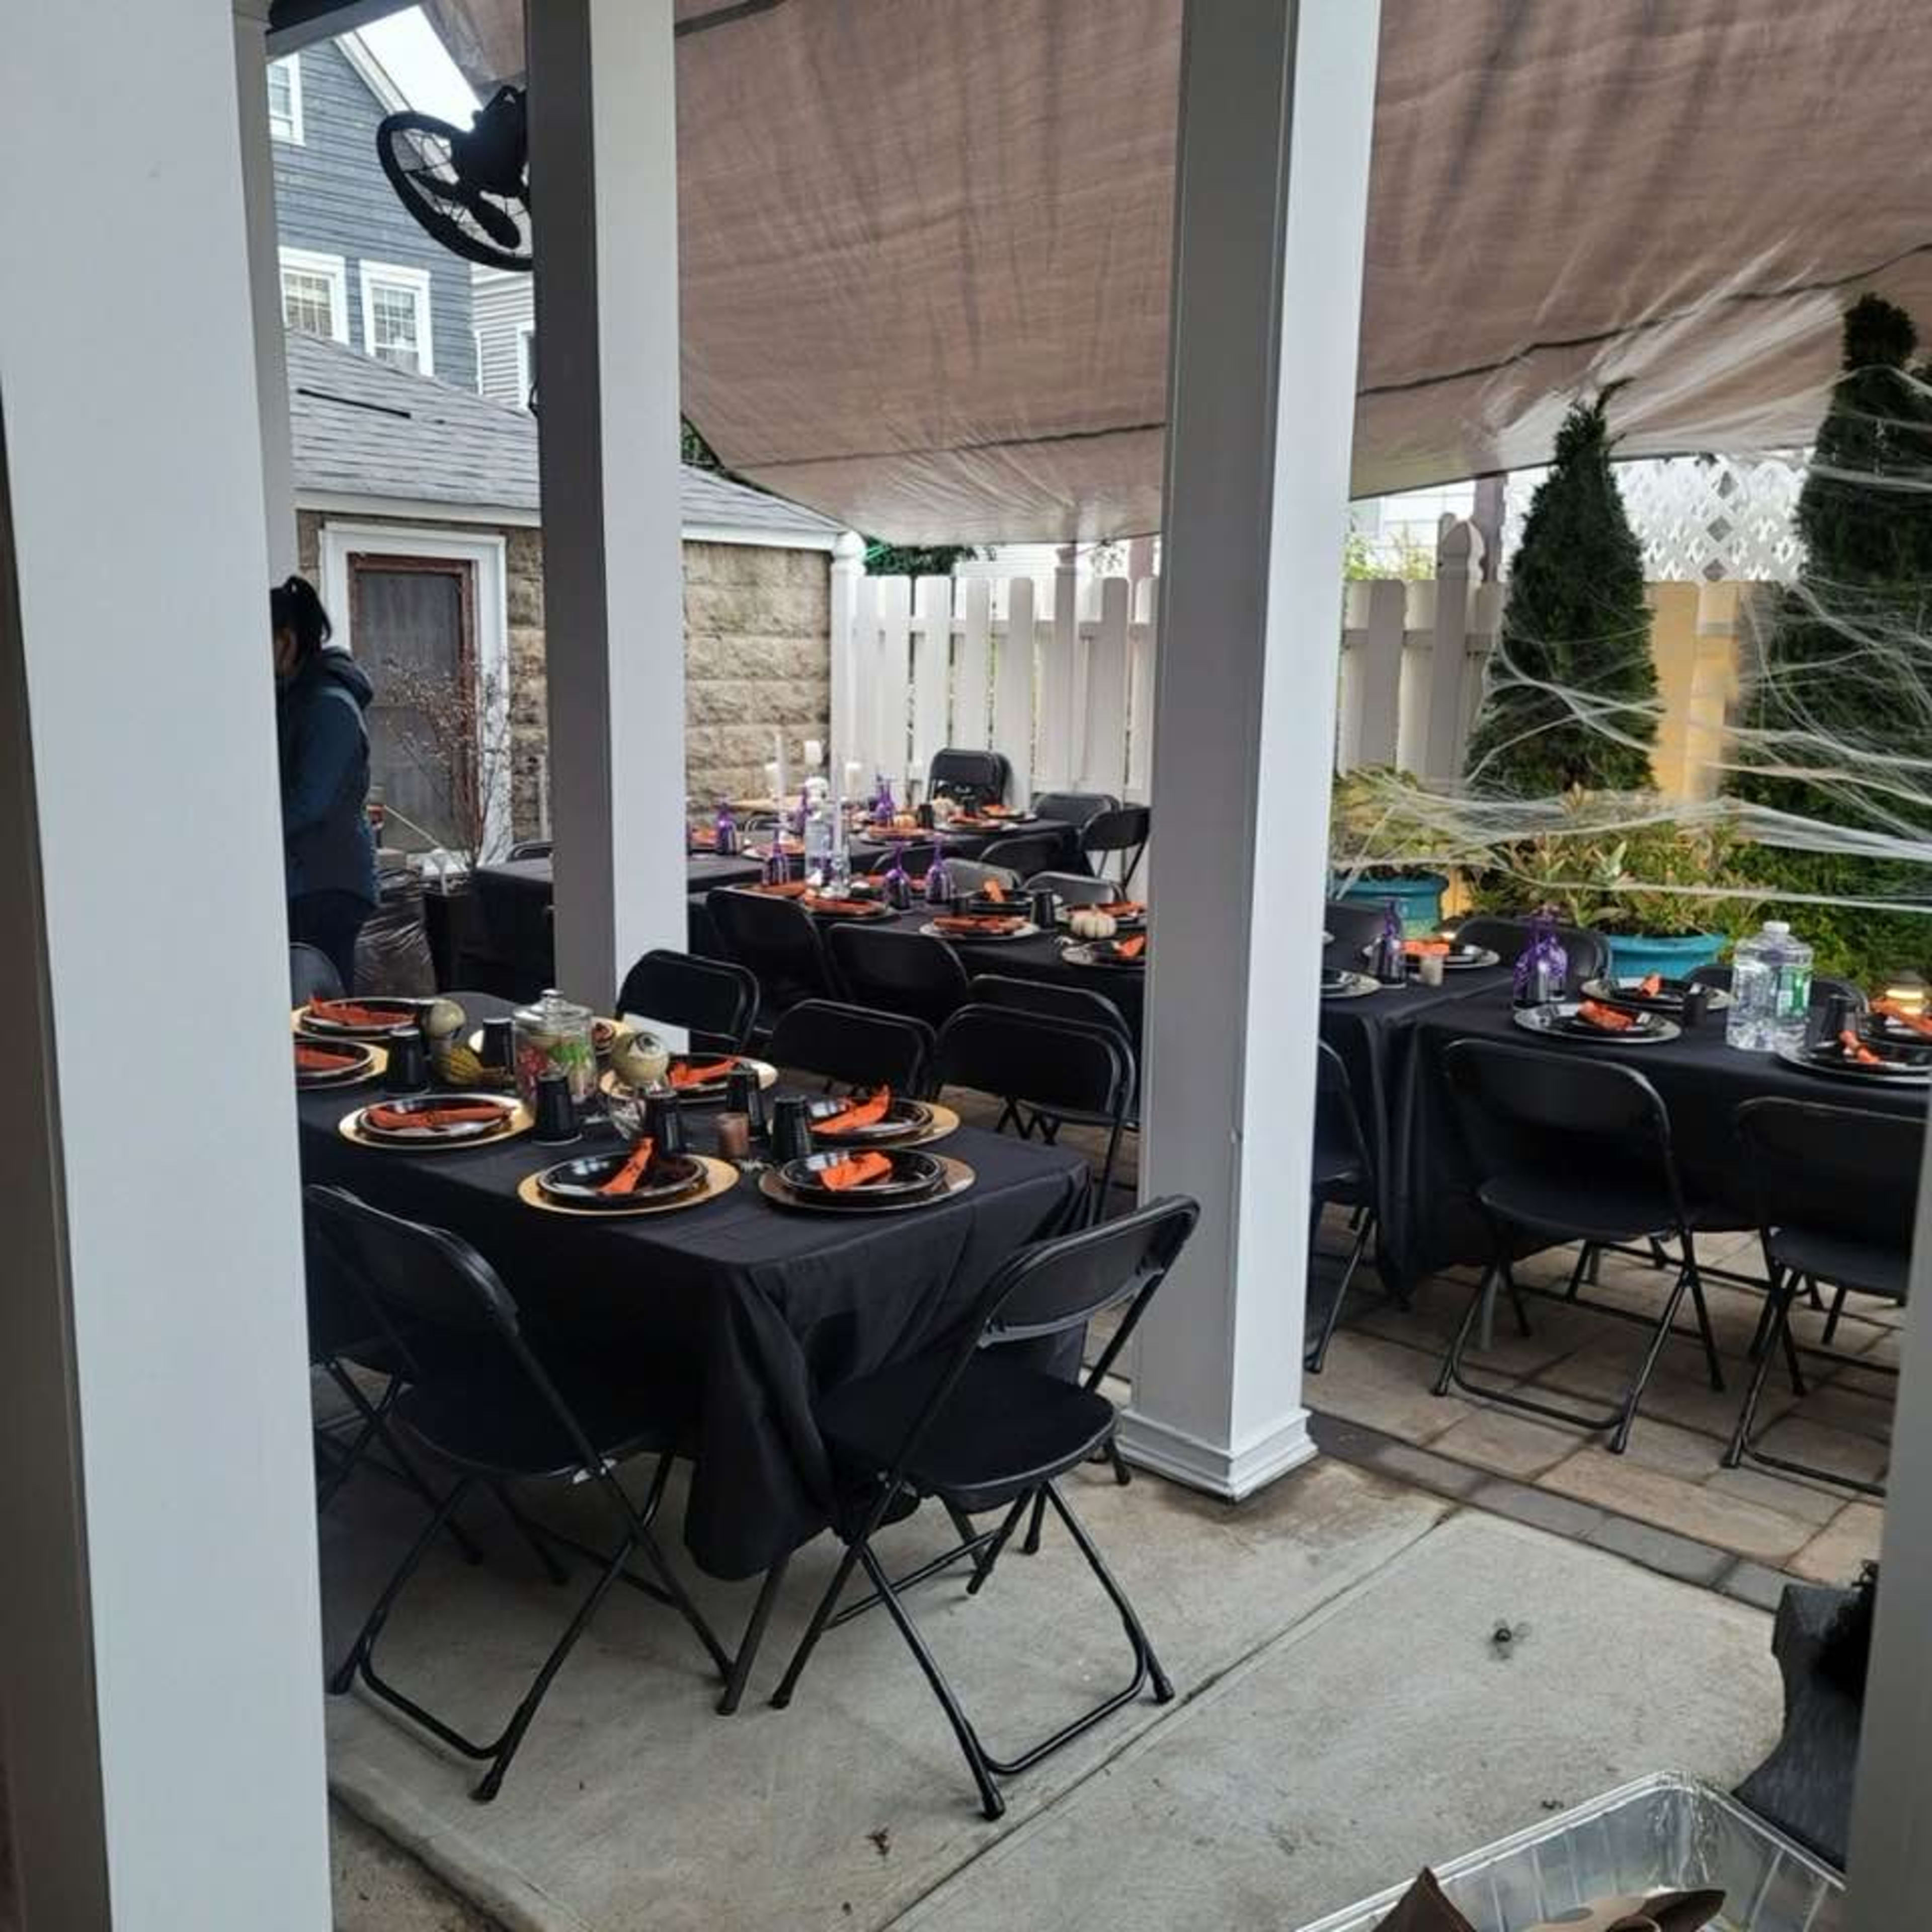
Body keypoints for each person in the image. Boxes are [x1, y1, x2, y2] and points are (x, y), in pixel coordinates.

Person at [274, 575, 376, 988]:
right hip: (308, 877)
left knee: (321, 1006)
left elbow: (311, 802)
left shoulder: (327, 705)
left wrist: (248, 836)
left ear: (287, 641)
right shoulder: (297, 698)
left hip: (325, 883)